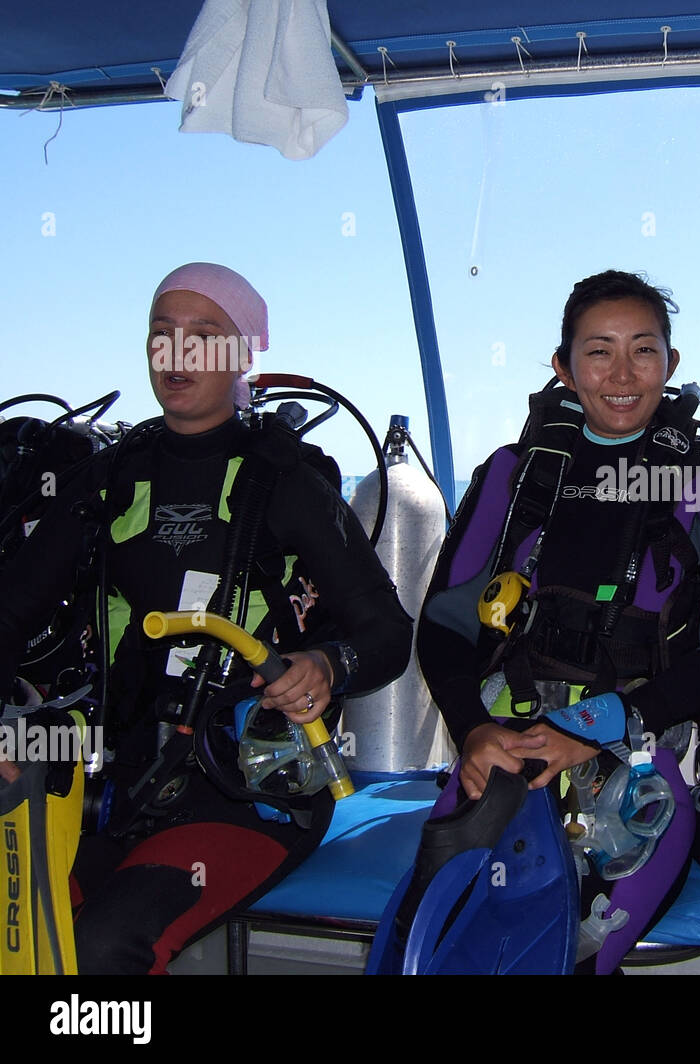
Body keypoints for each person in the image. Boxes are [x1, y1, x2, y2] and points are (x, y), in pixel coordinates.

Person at [0, 262, 412, 973]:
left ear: (245, 354)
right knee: (32, 935)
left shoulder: (286, 481)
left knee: (101, 949)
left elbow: (387, 634)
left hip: (243, 789)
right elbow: (11, 608)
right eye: (162, 334)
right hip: (117, 778)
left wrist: (325, 664)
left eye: (205, 333)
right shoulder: (109, 475)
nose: (178, 352)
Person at [415, 269, 700, 973]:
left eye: (644, 349)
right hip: (504, 748)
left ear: (671, 364)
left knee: (567, 960)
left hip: (641, 760)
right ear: (564, 368)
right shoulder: (514, 477)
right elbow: (445, 624)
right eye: (598, 351)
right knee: (444, 951)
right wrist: (473, 729)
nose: (623, 372)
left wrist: (599, 725)